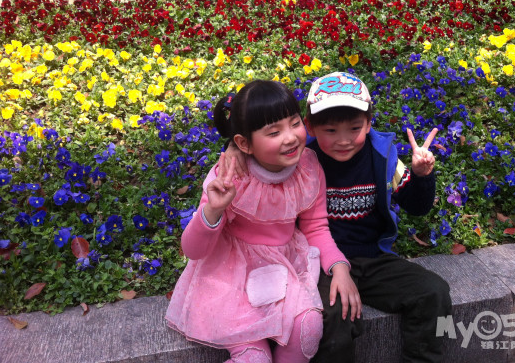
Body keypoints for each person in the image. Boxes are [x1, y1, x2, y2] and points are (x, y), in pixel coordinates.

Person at [224, 72, 452, 363]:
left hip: (373, 259)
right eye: (330, 130)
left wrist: (421, 175)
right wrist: (233, 148)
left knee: (434, 292)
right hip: (318, 263)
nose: (343, 140)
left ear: (368, 123)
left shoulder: (383, 157)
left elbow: (417, 207)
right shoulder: (300, 156)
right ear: (310, 127)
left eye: (355, 128)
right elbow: (260, 148)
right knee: (333, 316)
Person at [165, 79, 361, 363]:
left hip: (285, 267)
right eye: (274, 132)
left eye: (294, 123)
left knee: (308, 328)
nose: (290, 137)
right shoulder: (230, 177)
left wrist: (339, 266)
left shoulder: (308, 166)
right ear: (244, 143)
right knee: (254, 358)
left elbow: (316, 227)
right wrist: (213, 211)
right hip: (232, 277)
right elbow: (193, 251)